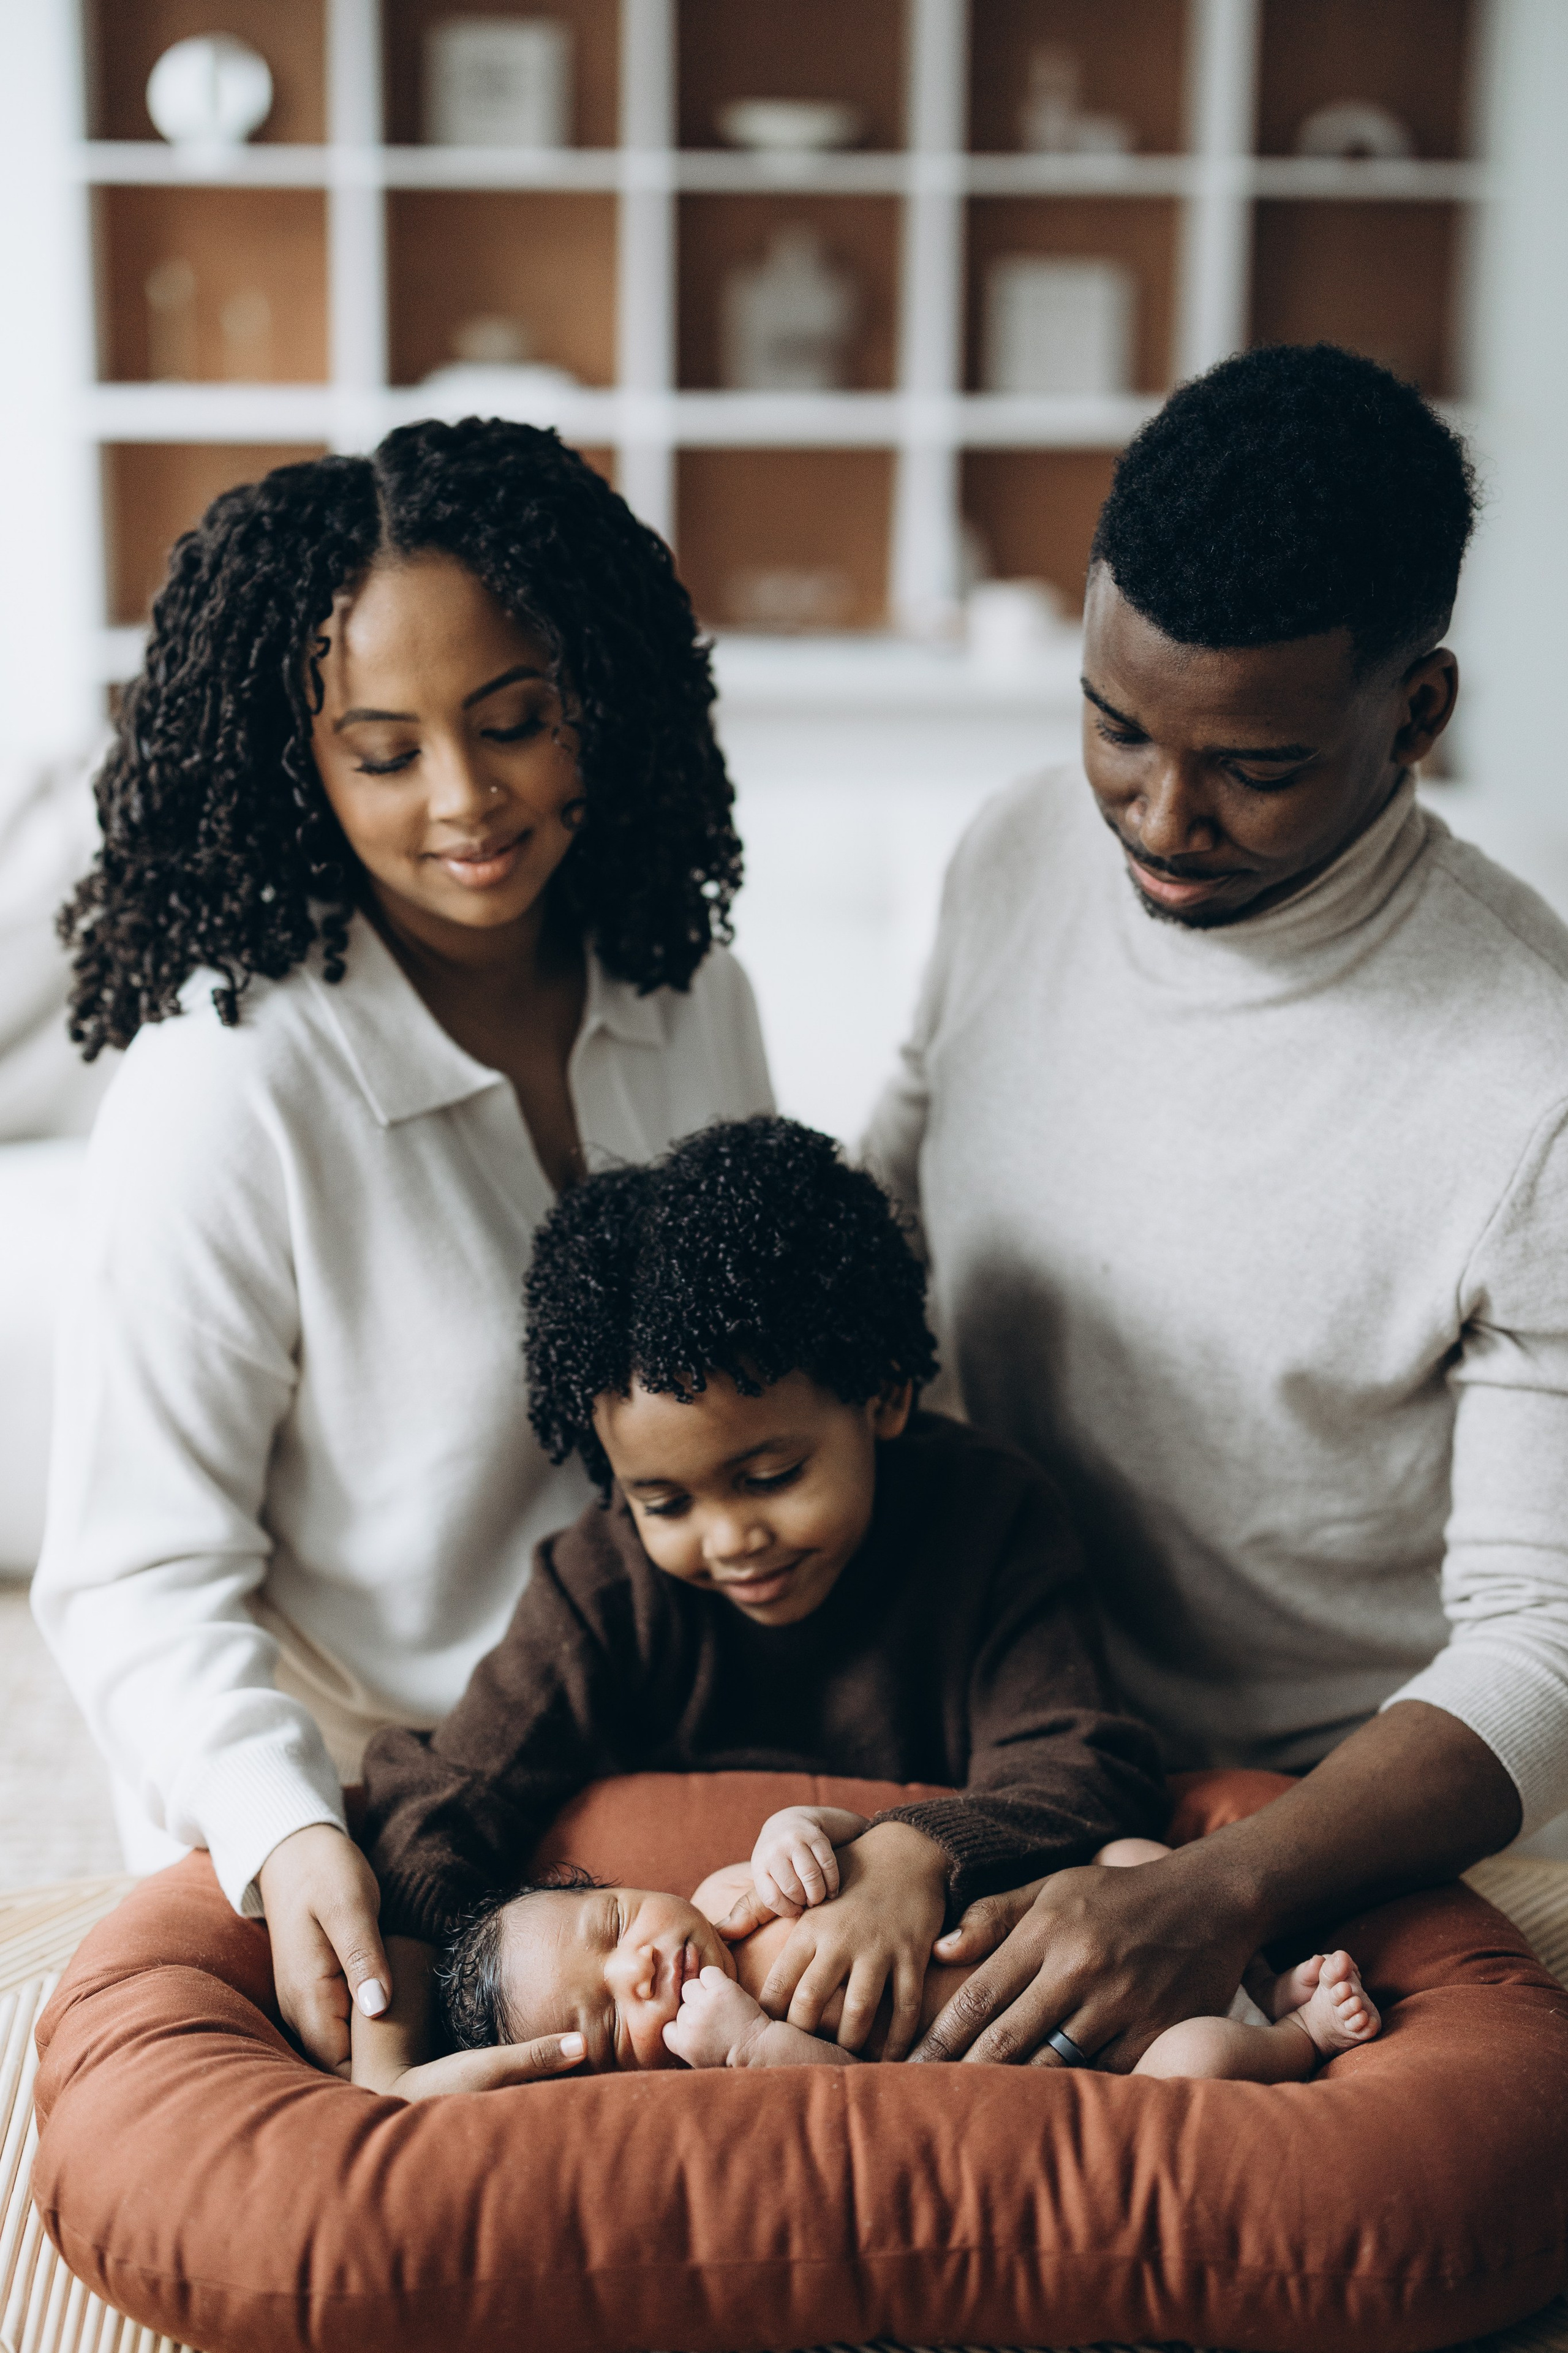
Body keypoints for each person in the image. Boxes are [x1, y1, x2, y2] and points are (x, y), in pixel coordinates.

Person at [32, 419, 774, 2080]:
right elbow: (136, 1573)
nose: (468, 801)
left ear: (599, 693)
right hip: (400, 1811)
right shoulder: (232, 1083)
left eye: (515, 722)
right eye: (386, 753)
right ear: (302, 761)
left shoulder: (691, 996)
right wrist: (284, 1833)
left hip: (698, 1757)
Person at [864, 343, 1568, 2074]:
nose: (1159, 818)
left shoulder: (1531, 1076)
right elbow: (884, 1217)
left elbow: (1545, 1645)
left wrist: (1228, 1885)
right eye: (1115, 726)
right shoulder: (1015, 849)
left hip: (1306, 1801)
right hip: (976, 1713)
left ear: (1417, 712)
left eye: (1255, 766)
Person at [357, 1116, 1168, 2062]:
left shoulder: (988, 1517)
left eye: (772, 1476)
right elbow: (441, 1804)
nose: (730, 1539)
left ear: (883, 1395)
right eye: (662, 1500)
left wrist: (908, 1855)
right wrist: (384, 2073)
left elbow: (1085, 1763)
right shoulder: (602, 1584)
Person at [347, 1805, 1379, 2094]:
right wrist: (751, 2042)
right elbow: (847, 2088)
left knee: (1133, 1854)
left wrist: (804, 1828)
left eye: (614, 1928)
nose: (642, 1970)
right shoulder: (718, 2067)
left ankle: (1258, 1965)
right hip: (1094, 2041)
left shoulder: (729, 1890)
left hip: (1093, 1931)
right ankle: (1293, 2030)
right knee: (1192, 2071)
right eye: (611, 2017)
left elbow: (855, 1829)